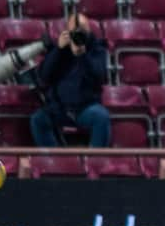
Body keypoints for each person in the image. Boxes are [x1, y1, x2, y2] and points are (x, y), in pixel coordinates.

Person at [30, 13, 110, 147]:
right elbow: (44, 76)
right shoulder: (60, 48)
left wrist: (83, 55)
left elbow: (100, 76)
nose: (79, 34)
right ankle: (53, 161)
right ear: (67, 31)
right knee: (38, 120)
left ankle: (95, 162)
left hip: (86, 108)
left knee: (101, 117)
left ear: (89, 30)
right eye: (75, 30)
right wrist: (58, 50)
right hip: (59, 108)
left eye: (83, 29)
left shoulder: (97, 49)